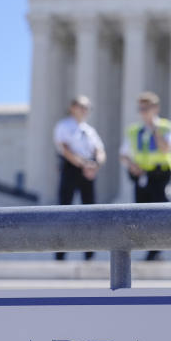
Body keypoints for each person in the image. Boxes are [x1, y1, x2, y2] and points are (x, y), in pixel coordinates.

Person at [119, 91, 171, 261]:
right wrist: (132, 166)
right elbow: (124, 154)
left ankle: (157, 250)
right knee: (142, 212)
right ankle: (149, 250)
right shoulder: (134, 130)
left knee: (159, 212)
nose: (143, 112)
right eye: (141, 108)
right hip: (141, 175)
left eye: (147, 108)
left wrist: (155, 129)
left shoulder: (166, 127)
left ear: (156, 108)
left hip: (160, 174)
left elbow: (166, 148)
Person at [53, 95, 105, 260]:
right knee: (64, 211)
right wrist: (84, 165)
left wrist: (95, 164)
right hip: (71, 170)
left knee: (90, 212)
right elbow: (65, 148)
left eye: (87, 107)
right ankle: (61, 253)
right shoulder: (64, 126)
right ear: (72, 107)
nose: (84, 110)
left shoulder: (90, 131)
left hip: (89, 171)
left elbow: (100, 150)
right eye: (81, 106)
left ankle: (89, 252)